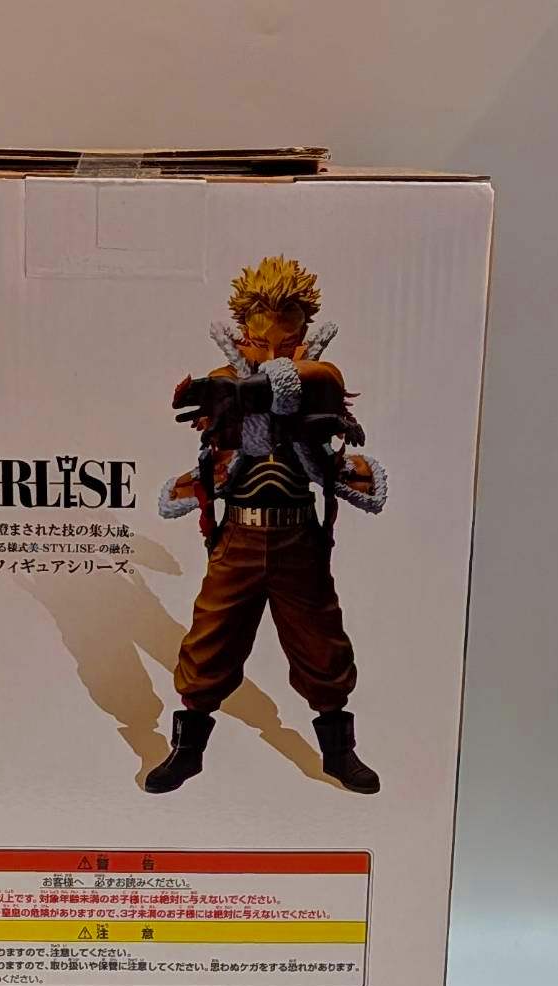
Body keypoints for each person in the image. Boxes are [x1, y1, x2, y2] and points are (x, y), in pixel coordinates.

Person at [147, 255, 387, 795]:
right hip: (239, 537)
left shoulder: (318, 378)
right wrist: (232, 396)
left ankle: (339, 753)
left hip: (298, 537)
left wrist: (262, 391)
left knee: (322, 646)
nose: (274, 351)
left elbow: (319, 381)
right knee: (210, 643)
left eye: (288, 340)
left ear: (303, 334)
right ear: (243, 334)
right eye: (261, 341)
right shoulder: (224, 381)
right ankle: (186, 751)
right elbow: (221, 399)